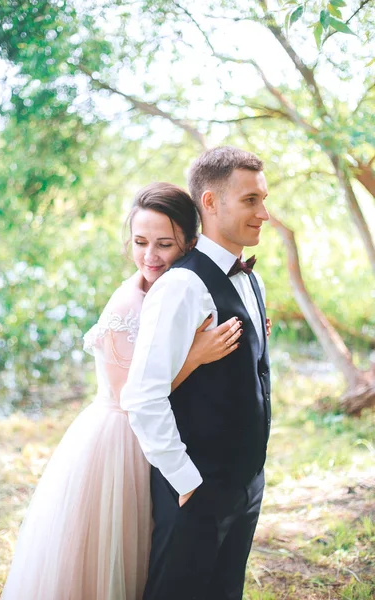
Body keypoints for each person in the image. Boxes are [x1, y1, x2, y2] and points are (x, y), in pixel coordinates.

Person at [0, 182, 244, 600]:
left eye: (164, 244)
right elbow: (130, 397)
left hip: (156, 432)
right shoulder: (126, 305)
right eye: (140, 242)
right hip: (119, 442)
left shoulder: (178, 291)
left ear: (189, 240)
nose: (150, 256)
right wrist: (196, 357)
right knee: (109, 553)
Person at [121, 147, 271, 600]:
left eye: (263, 198)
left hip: (245, 483)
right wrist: (186, 481)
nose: (264, 213)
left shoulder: (252, 278)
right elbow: (144, 396)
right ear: (210, 202)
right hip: (196, 487)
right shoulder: (181, 286)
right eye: (250, 201)